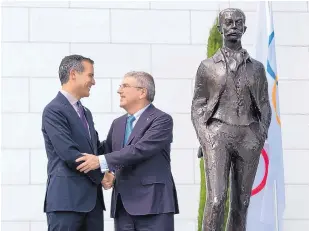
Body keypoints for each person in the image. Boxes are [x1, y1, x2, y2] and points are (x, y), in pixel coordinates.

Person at [191, 8, 272, 231]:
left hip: (248, 135)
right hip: (218, 133)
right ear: (221, 28)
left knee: (242, 203)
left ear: (244, 29)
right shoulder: (207, 66)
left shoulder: (256, 68)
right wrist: (205, 136)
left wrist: (260, 132)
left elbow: (264, 104)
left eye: (238, 23)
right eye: (228, 22)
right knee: (216, 200)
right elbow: (197, 106)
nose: (233, 26)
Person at [76, 71, 179, 231]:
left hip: (154, 205)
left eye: (125, 86)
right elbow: (104, 150)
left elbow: (140, 150)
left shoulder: (161, 120)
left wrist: (100, 161)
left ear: (142, 92)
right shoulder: (118, 123)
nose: (119, 91)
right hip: (123, 207)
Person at [41, 54, 112, 231]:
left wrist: (124, 136)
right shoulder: (54, 110)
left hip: (92, 204)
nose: (93, 82)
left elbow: (96, 149)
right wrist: (102, 176)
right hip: (67, 202)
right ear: (73, 74)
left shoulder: (86, 112)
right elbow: (69, 154)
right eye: (90, 75)